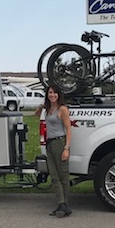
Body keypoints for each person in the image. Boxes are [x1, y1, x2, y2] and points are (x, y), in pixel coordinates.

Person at [36, 85, 72, 217]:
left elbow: (68, 129)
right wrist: (41, 106)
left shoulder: (62, 109)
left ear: (59, 95)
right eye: (50, 93)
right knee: (54, 175)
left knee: (63, 175)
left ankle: (64, 204)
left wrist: (66, 148)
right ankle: (60, 203)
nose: (52, 95)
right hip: (50, 143)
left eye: (55, 93)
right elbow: (36, 114)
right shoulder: (48, 109)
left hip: (59, 143)